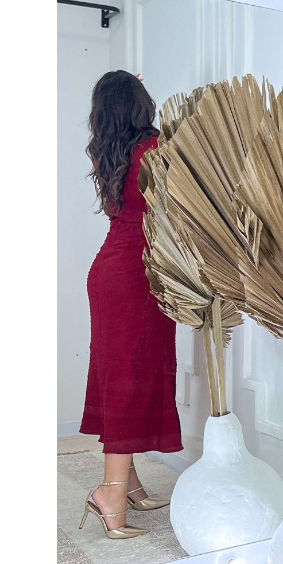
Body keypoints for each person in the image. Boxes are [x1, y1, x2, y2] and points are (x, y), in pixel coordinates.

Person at [78, 70, 182, 539]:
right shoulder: (154, 148)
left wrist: (121, 90)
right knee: (127, 381)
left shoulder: (106, 149)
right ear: (141, 103)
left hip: (112, 273)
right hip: (135, 277)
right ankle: (111, 494)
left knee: (121, 376)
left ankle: (130, 484)